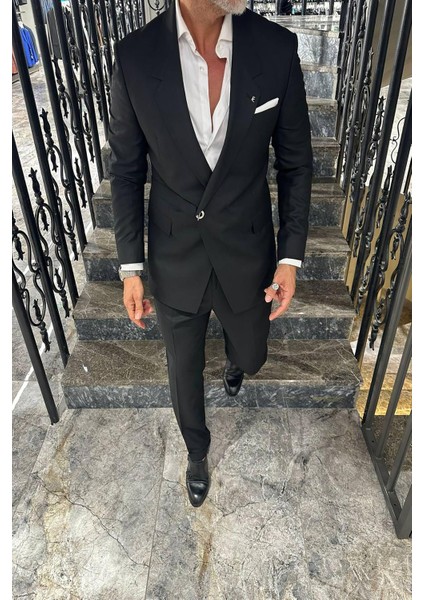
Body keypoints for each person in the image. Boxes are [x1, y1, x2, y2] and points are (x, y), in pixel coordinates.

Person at [108, 0, 313, 508]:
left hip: (247, 247)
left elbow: (296, 164)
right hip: (176, 252)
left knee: (253, 355)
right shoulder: (135, 57)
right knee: (183, 371)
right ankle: (196, 450)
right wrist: (131, 266)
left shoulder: (276, 48)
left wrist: (290, 257)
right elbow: (127, 172)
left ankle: (236, 361)